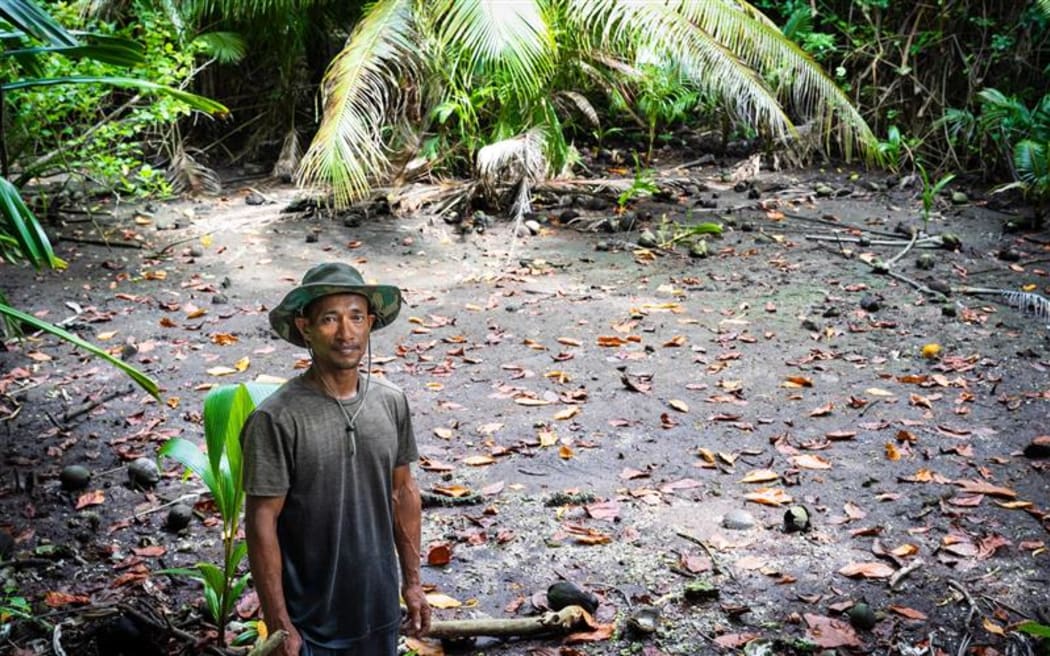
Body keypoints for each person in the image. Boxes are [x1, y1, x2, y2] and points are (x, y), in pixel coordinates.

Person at [241, 262, 430, 656]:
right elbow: (261, 522)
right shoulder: (276, 418)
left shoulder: (390, 402)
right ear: (304, 327)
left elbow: (403, 493)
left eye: (356, 317)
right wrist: (278, 621)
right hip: (310, 619)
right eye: (329, 319)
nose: (346, 333)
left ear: (370, 323)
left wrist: (412, 583)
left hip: (377, 610)